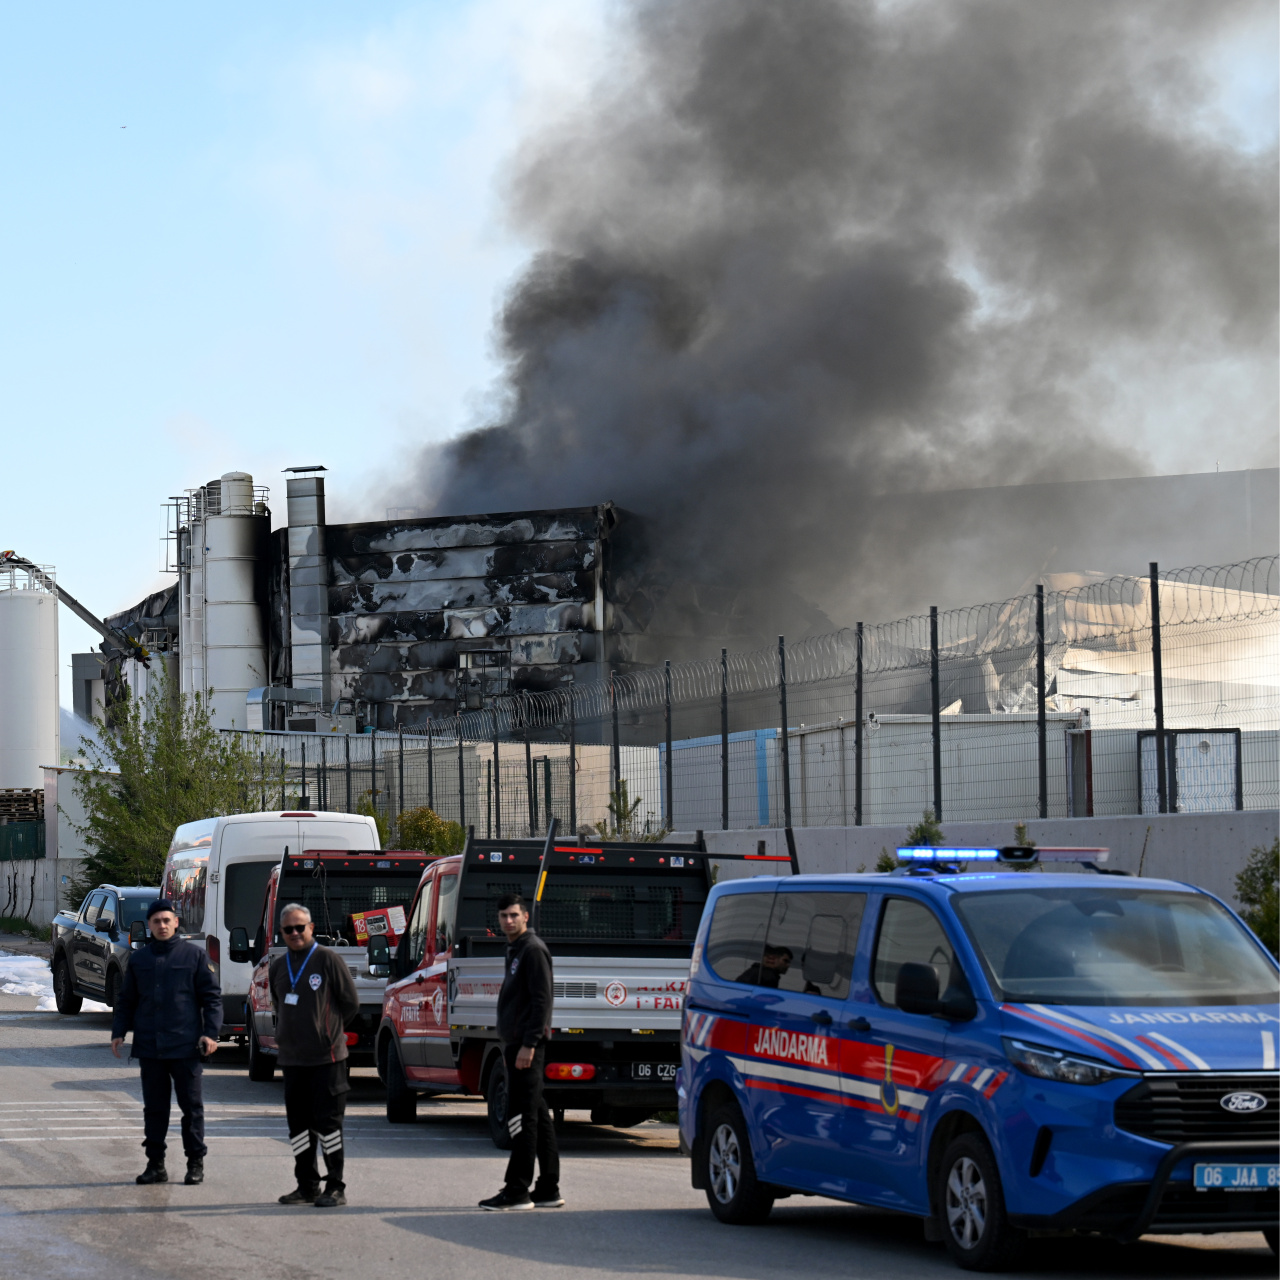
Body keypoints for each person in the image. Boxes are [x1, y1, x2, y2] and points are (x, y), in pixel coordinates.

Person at [110, 898, 222, 1186]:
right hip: (150, 1047)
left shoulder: (193, 957)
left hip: (185, 1047)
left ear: (175, 923)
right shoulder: (139, 960)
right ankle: (155, 1165)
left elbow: (212, 999)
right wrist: (118, 1031)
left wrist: (211, 1033)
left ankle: (195, 1163)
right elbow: (126, 1001)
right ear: (149, 925)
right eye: (156, 921)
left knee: (192, 1108)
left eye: (166, 920)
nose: (162, 925)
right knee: (155, 1109)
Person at [270, 903, 360, 1208]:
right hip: (293, 1061)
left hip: (327, 1060)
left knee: (328, 1125)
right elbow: (278, 1005)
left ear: (311, 928)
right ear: (281, 933)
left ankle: (335, 1185)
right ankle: (306, 1184)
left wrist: (328, 1033)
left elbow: (350, 1003)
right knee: (298, 1126)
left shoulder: (328, 959)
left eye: (300, 927)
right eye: (288, 929)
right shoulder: (278, 967)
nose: (295, 933)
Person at [479, 892, 561, 1211]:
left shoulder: (532, 950)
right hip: (517, 1043)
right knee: (538, 1116)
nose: (508, 921)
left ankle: (517, 1190)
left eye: (514, 915)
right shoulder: (515, 949)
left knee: (520, 1118)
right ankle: (548, 1188)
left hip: (526, 1046)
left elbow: (542, 1001)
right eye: (503, 916)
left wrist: (529, 1044)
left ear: (525, 916)